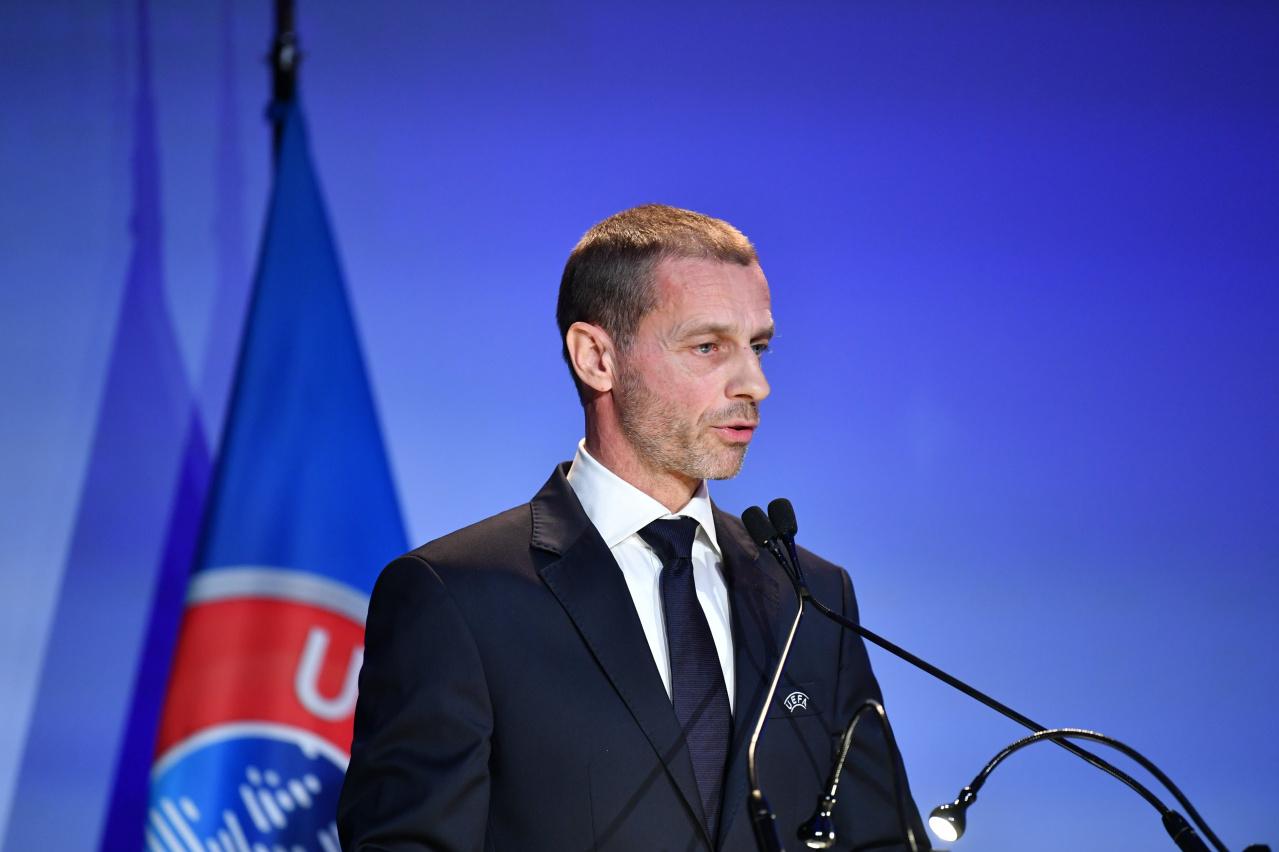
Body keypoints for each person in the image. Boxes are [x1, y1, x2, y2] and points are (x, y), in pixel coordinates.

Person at [337, 204, 928, 851]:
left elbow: (878, 840)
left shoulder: (810, 597)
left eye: (757, 347)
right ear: (596, 357)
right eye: (708, 346)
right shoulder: (458, 597)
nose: (755, 383)